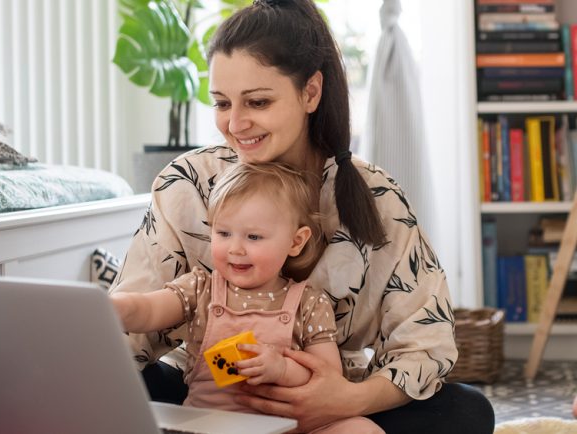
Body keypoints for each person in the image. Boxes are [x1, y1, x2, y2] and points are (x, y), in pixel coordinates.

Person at [109, 0, 496, 432]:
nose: (235, 124)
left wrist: (343, 400)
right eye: (221, 104)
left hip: (331, 400)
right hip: (208, 396)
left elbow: (426, 345)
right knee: (115, 385)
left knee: (466, 410)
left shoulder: (374, 195)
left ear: (310, 92)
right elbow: (130, 328)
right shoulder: (188, 181)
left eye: (257, 102)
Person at [111, 162, 383, 434]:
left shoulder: (309, 303)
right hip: (209, 427)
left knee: (361, 429)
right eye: (223, 233)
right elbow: (149, 310)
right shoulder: (200, 288)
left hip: (287, 429)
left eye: (253, 236)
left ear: (295, 242)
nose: (235, 248)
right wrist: (114, 307)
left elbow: (328, 378)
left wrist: (282, 369)